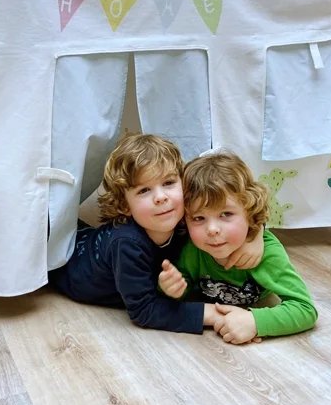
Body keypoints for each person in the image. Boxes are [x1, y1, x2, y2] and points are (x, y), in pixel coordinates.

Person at [48, 133, 263, 334]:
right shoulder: (127, 244)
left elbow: (239, 206)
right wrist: (214, 315)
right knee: (46, 228)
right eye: (144, 190)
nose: (161, 197)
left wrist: (255, 235)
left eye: (168, 183)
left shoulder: (184, 218)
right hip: (68, 267)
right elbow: (144, 310)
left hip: (86, 235)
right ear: (124, 205)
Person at [158, 151, 317, 344]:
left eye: (225, 214)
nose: (212, 229)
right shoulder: (191, 250)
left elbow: (305, 309)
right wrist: (171, 289)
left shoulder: (267, 254)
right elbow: (182, 290)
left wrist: (255, 322)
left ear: (249, 212)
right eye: (199, 218)